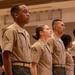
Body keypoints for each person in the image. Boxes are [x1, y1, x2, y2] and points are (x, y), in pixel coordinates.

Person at [2, 3, 32, 75]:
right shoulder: (11, 30)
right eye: (25, 12)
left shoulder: (26, 33)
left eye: (28, 12)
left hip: (27, 69)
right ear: (16, 15)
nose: (28, 14)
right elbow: (6, 55)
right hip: (17, 69)